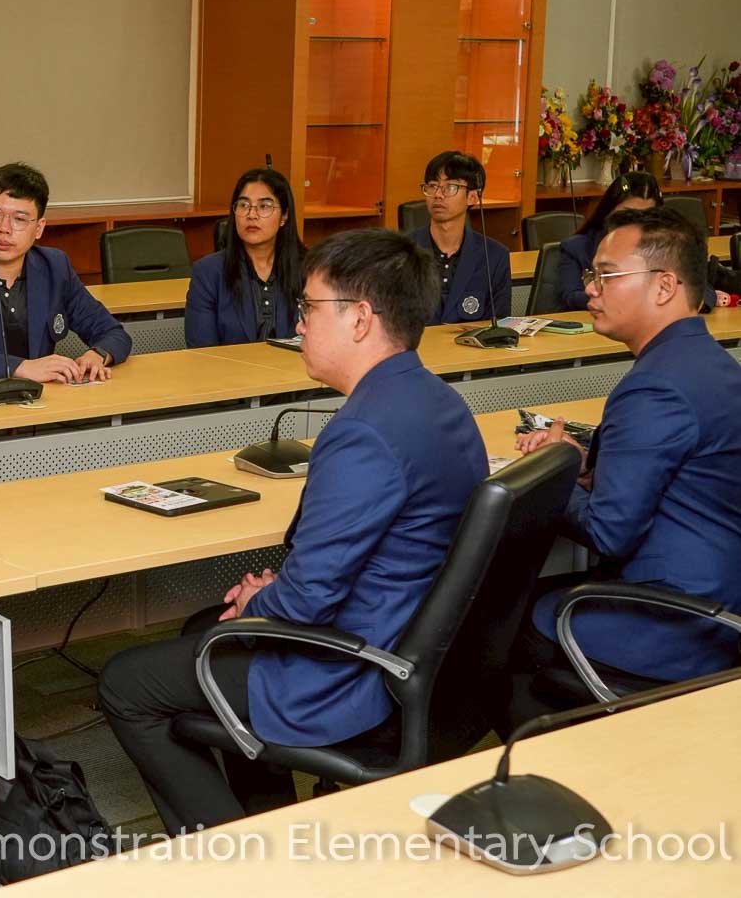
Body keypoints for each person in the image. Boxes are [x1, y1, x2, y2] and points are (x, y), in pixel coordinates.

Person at [99, 229, 486, 834]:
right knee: (203, 630)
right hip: (423, 648)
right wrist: (273, 593)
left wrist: (260, 600)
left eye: (309, 307)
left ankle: (236, 856)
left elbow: (308, 600)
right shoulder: (437, 400)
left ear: (360, 319)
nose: (297, 323)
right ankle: (267, 818)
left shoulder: (363, 432)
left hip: (354, 671)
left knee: (127, 684)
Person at [513, 206, 741, 693]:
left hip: (673, 621)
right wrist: (590, 466)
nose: (590, 290)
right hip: (720, 599)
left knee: (501, 619)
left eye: (607, 275)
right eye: (591, 275)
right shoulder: (710, 363)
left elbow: (608, 532)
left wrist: (555, 472)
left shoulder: (655, 386)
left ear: (664, 286)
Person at [0, 162, 132, 383]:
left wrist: (97, 355)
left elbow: (113, 332)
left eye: (19, 219)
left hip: (40, 399)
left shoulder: (54, 267)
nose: (4, 229)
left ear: (39, 228)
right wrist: (17, 367)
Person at [185, 167, 305, 346]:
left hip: (295, 365)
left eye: (264, 206)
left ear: (284, 216)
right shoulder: (208, 273)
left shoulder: (311, 270)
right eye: (243, 205)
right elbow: (201, 349)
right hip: (228, 365)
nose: (252, 215)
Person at [410, 151, 511, 324]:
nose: (438, 194)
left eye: (450, 187)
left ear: (472, 197)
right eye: (432, 186)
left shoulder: (494, 256)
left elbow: (499, 323)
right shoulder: (400, 252)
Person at [555, 172, 661, 311]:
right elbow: (572, 297)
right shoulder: (577, 247)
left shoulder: (668, 248)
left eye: (647, 217)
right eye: (627, 215)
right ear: (608, 212)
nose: (636, 222)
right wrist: (622, 295)